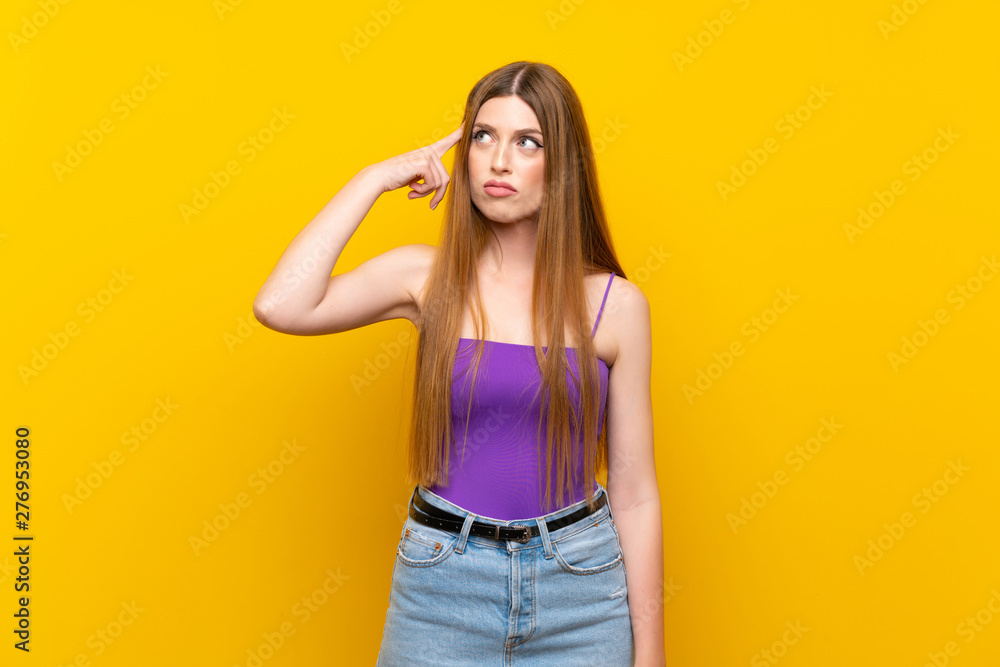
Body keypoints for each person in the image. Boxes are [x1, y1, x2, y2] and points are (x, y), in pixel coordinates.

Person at [253, 61, 664, 666]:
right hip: (443, 586)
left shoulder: (614, 305)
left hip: (581, 587)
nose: (499, 161)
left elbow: (635, 493)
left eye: (528, 142)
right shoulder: (426, 277)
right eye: (483, 136)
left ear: (563, 166)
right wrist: (375, 178)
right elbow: (280, 304)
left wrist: (650, 652)